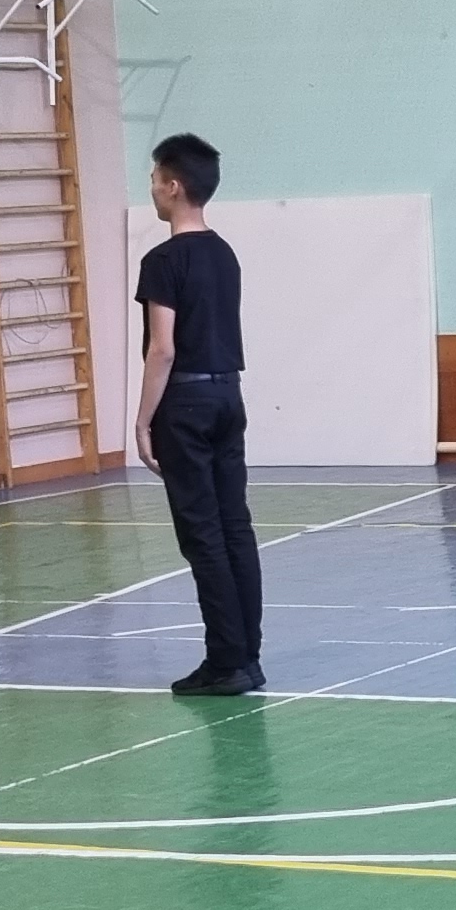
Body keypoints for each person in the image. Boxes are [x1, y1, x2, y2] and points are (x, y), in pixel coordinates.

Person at [135, 133, 264, 695]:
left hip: (185, 404)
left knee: (203, 534)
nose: (151, 189)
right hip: (228, 396)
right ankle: (247, 655)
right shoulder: (223, 252)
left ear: (173, 186)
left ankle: (225, 660)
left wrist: (143, 420)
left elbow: (162, 348)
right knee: (235, 526)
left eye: (154, 179)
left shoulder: (163, 261)